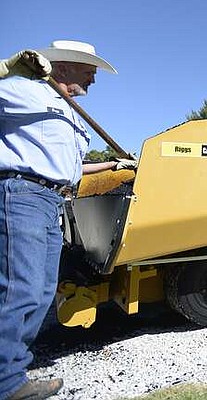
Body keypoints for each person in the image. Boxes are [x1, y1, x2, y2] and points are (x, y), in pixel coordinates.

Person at [0, 41, 134, 400]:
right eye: (88, 68)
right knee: (21, 288)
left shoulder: (70, 111)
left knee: (42, 290)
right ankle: (6, 382)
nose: (94, 77)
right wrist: (5, 67)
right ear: (63, 68)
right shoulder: (21, 90)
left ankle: (12, 374)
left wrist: (115, 165)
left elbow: (69, 170)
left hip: (51, 200)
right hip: (22, 195)